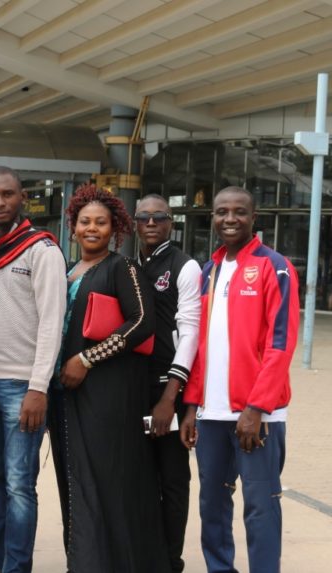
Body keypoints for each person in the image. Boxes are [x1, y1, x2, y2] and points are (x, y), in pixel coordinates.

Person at [180, 186, 299, 573]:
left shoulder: (274, 266)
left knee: (261, 505)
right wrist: (192, 407)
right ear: (211, 217)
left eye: (239, 212)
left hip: (257, 415)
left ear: (254, 218)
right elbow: (199, 346)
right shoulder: (210, 270)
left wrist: (256, 407)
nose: (229, 219)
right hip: (212, 414)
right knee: (212, 504)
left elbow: (280, 344)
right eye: (221, 212)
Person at [51, 183, 168, 572]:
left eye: (101, 222)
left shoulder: (122, 267)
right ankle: (85, 560)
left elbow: (142, 323)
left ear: (115, 227)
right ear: (74, 226)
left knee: (105, 476)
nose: (92, 229)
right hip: (68, 393)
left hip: (108, 393)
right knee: (74, 475)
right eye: (85, 221)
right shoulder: (68, 270)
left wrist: (87, 358)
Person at [0, 166, 66, 573]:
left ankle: (17, 566)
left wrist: (38, 387)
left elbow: (52, 322)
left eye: (7, 194)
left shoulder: (42, 251)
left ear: (22, 197)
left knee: (20, 485)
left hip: (22, 386)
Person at [135, 194, 201, 573]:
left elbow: (190, 334)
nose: (151, 223)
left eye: (159, 217)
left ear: (170, 222)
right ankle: (147, 553)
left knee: (173, 478)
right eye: (144, 217)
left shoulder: (185, 266)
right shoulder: (131, 264)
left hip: (167, 392)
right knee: (142, 477)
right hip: (134, 389)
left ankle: (170, 561)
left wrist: (169, 398)